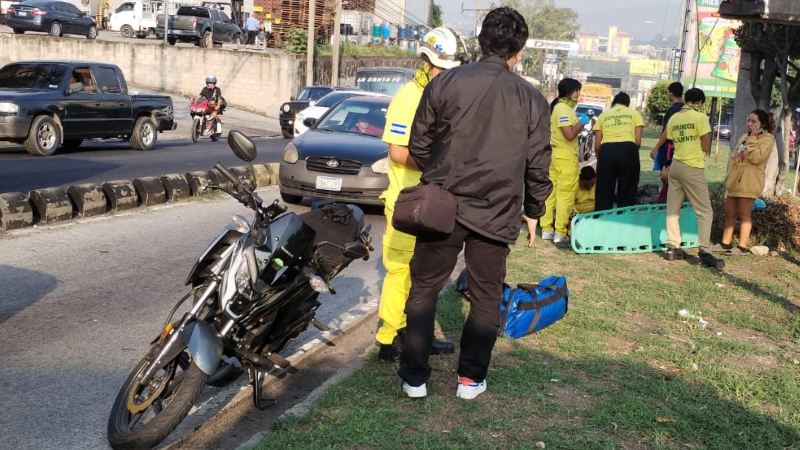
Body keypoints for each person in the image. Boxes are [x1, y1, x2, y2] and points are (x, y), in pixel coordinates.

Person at [400, 7, 552, 400]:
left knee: (424, 288)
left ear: (482, 40)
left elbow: (418, 144)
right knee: (486, 294)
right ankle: (470, 379)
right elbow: (538, 165)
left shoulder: (445, 83)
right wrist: (534, 211)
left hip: (441, 206)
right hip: (497, 210)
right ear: (518, 51)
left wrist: (444, 167)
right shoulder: (532, 99)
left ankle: (415, 378)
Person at [375, 26, 467, 363]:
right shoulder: (409, 98)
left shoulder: (441, 97)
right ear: (427, 63)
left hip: (431, 202)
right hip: (406, 202)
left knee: (425, 275)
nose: (447, 77)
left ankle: (418, 335)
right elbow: (398, 152)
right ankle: (389, 339)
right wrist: (441, 161)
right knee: (401, 271)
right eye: (443, 70)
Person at [663, 88, 724, 268]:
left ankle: (672, 248)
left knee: (673, 210)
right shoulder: (700, 117)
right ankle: (705, 251)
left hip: (676, 166)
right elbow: (705, 146)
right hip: (692, 167)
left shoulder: (674, 118)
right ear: (700, 102)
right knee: (705, 212)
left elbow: (672, 140)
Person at [712, 109, 775, 255]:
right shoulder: (743, 137)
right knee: (729, 212)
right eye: (749, 120)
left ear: (762, 123)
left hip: (750, 181)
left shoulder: (767, 139)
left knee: (743, 214)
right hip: (735, 180)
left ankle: (742, 246)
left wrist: (751, 140)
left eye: (754, 121)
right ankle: (725, 243)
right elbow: (735, 156)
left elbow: (757, 158)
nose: (750, 124)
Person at [540, 78, 584, 244]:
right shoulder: (563, 109)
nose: (579, 94)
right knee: (565, 195)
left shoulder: (559, 107)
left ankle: (546, 229)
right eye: (577, 90)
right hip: (565, 157)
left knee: (551, 193)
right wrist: (582, 122)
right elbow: (569, 134)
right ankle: (560, 232)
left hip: (555, 156)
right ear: (569, 91)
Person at [593, 92, 644, 210]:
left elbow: (597, 145)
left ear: (613, 103)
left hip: (607, 150)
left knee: (603, 191)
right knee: (628, 190)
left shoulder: (603, 115)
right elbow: (638, 141)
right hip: (628, 150)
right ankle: (624, 219)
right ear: (627, 104)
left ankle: (602, 219)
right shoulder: (635, 114)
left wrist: (601, 160)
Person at [650, 82, 684, 203]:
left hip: (670, 148)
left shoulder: (674, 109)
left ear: (670, 93)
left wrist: (656, 148)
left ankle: (665, 204)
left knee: (667, 177)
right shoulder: (685, 109)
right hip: (682, 149)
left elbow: (667, 131)